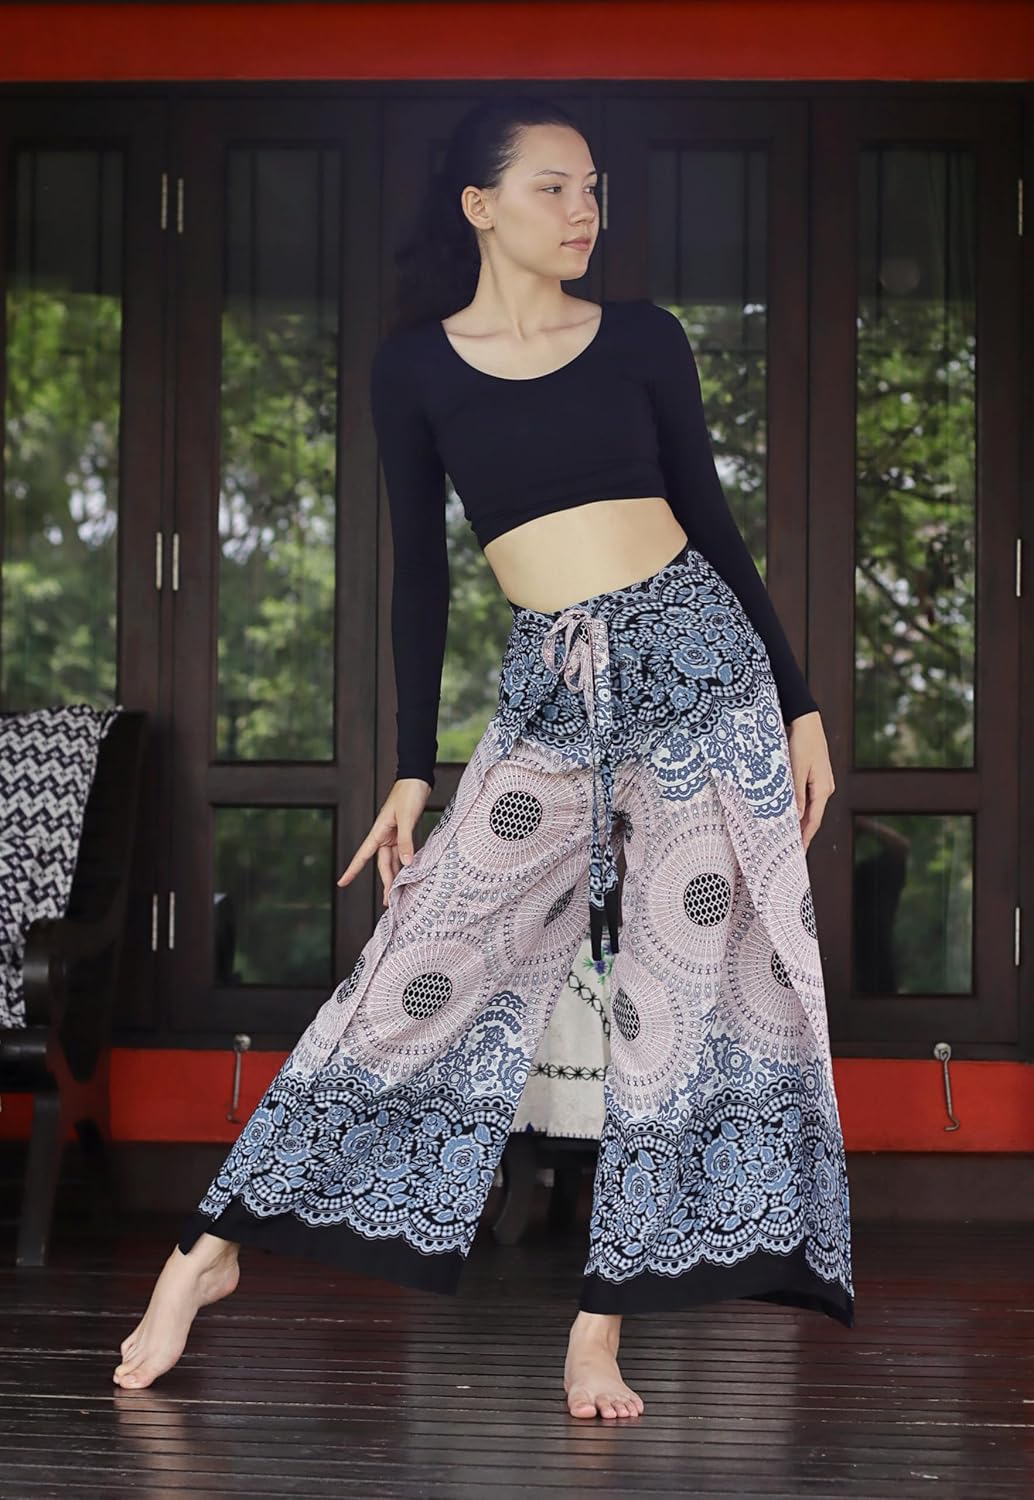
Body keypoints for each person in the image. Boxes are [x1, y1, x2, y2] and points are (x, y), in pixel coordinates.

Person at [113, 95, 854, 1416]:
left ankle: (598, 1331)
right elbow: (421, 577)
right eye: (554, 187)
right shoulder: (416, 369)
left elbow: (712, 522)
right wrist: (412, 765)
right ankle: (206, 1250)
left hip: (703, 677)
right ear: (480, 204)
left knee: (670, 1005)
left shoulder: (642, 337)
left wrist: (797, 707)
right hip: (549, 692)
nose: (583, 211)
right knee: (421, 959)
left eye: (594, 190)